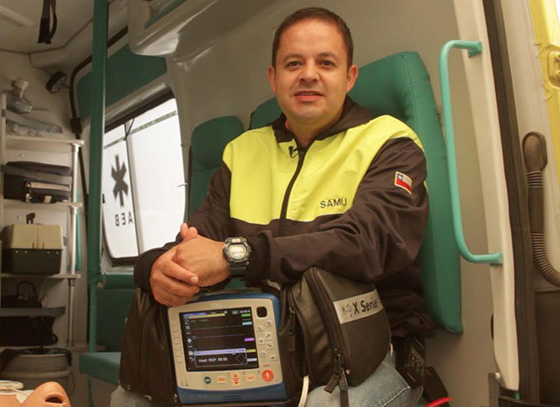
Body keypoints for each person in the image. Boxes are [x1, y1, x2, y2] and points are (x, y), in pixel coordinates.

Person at [112, 6, 433, 407]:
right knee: (130, 400)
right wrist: (155, 268)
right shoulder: (242, 152)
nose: (308, 74)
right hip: (265, 349)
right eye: (293, 63)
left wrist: (237, 257)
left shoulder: (390, 143)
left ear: (350, 76)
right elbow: (197, 244)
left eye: (326, 63)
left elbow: (368, 243)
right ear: (273, 78)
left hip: (368, 352)